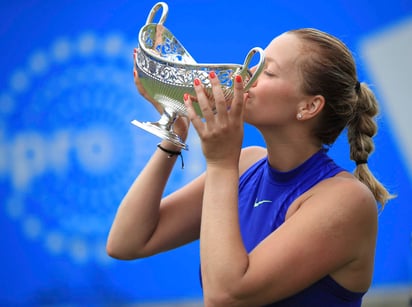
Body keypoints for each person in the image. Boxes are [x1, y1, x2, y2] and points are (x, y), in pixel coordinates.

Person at [106, 28, 394, 306]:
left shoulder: (346, 200)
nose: (245, 76)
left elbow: (224, 296)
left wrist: (220, 163)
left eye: (267, 72)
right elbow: (127, 242)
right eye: (254, 64)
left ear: (308, 107)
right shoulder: (246, 163)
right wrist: (175, 133)